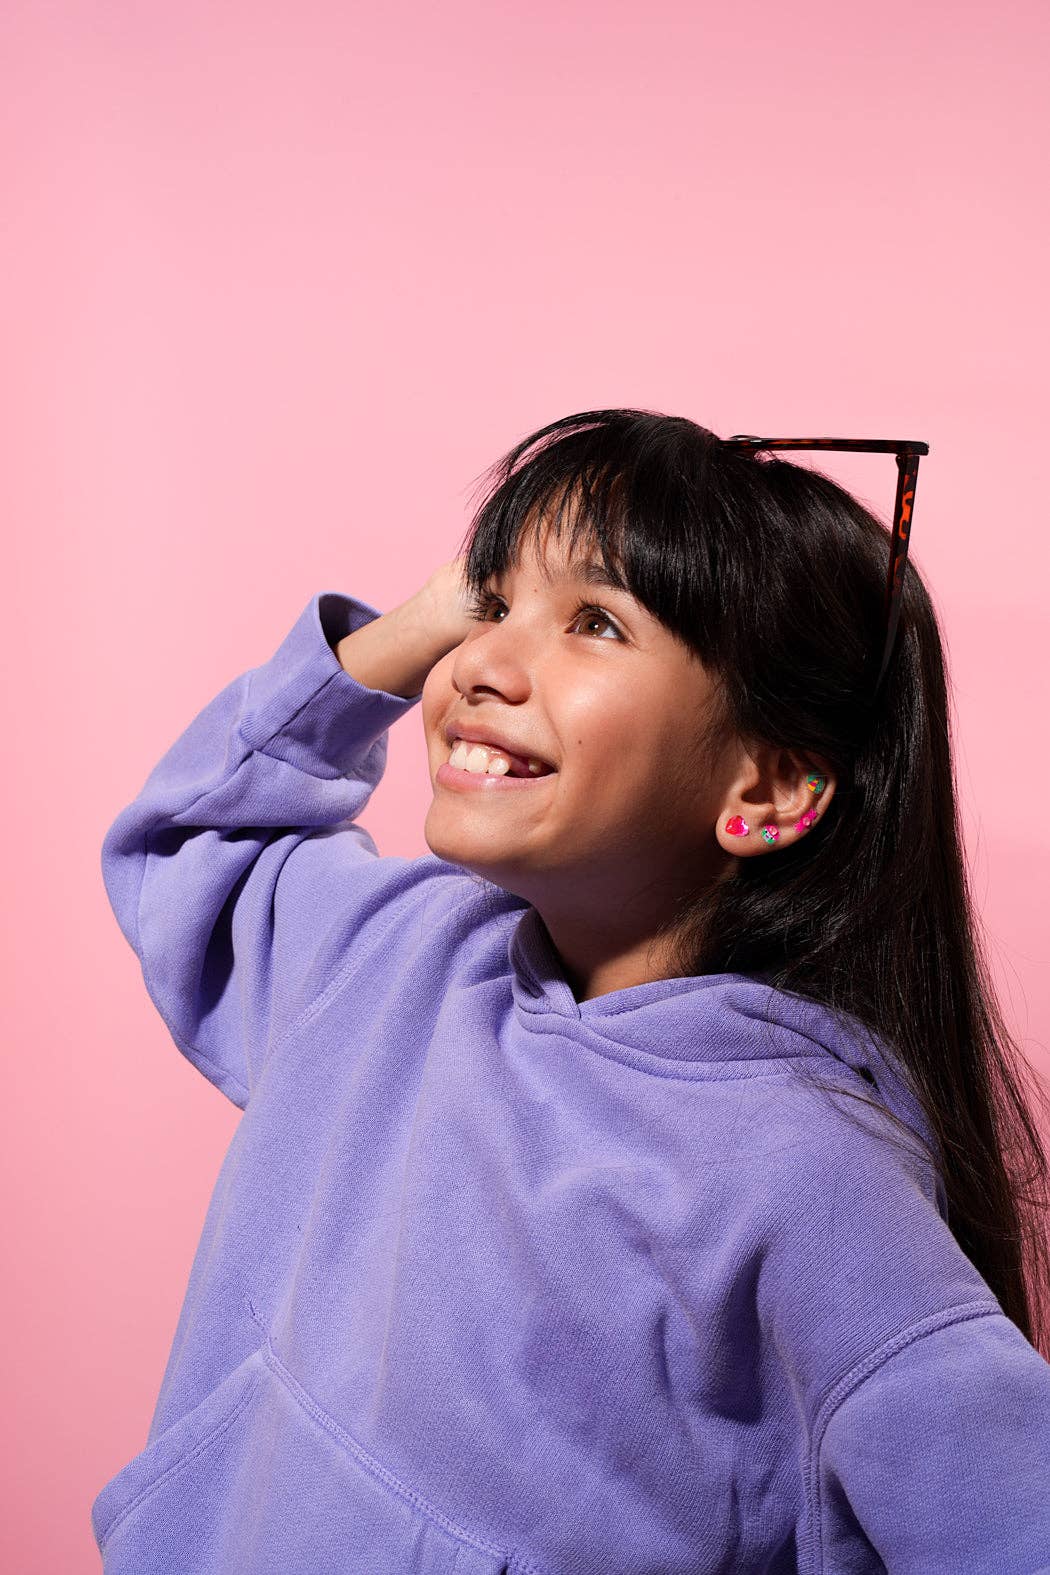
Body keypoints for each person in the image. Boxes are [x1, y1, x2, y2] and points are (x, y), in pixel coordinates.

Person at [91, 409, 1050, 1574]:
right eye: (492, 605)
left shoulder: (807, 1171)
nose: (479, 665)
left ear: (767, 791)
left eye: (594, 622)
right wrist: (415, 627)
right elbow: (196, 842)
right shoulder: (396, 956)